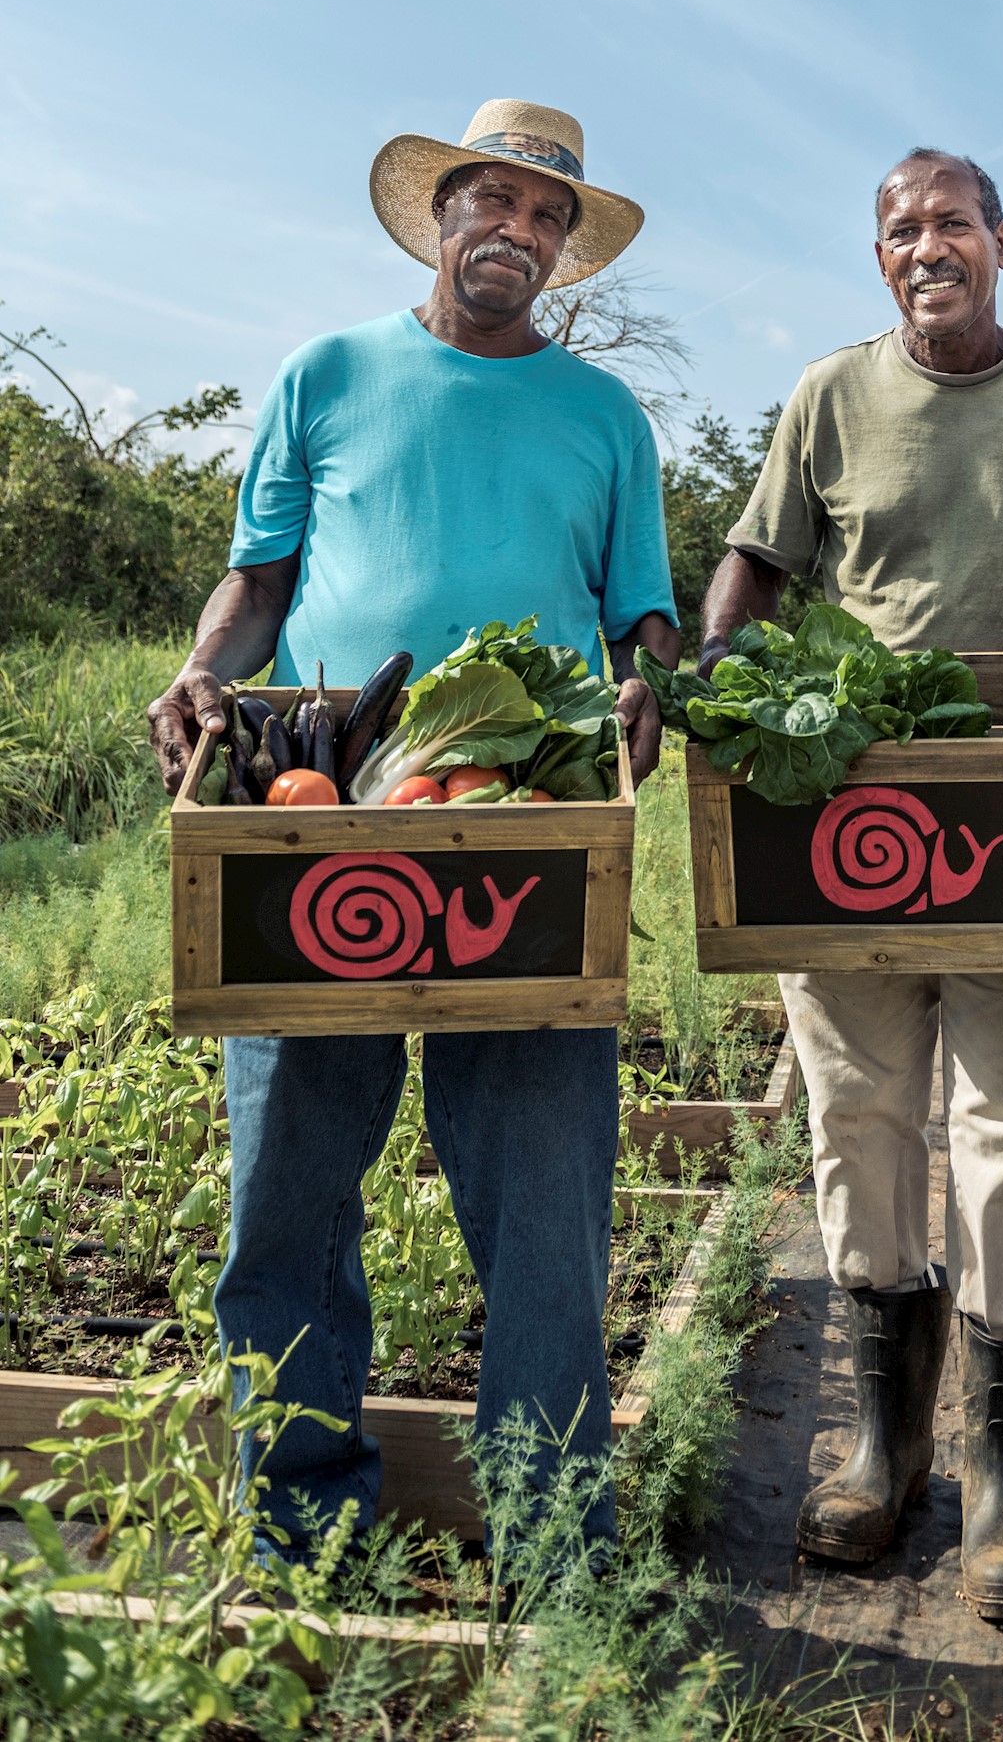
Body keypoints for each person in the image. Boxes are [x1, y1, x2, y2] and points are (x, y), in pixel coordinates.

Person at [148, 99, 678, 1553]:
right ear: (441, 211)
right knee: (289, 1199)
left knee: (546, 1216)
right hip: (324, 813)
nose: (516, 228)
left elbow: (643, 616)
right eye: (492, 200)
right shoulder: (326, 374)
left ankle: (555, 1542)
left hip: (531, 824)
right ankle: (296, 1526)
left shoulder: (603, 416)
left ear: (565, 249)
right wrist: (204, 671)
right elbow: (256, 585)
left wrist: (644, 681)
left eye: (547, 214)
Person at [701, 147, 1003, 1621]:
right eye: (900, 229)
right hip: (843, 814)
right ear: (881, 254)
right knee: (856, 1113)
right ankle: (880, 1441)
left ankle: (1000, 1481)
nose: (926, 246)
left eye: (950, 223)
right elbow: (756, 568)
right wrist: (717, 692)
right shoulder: (829, 396)